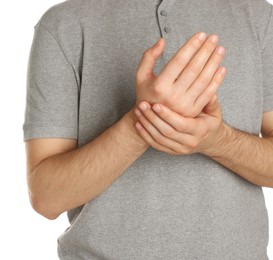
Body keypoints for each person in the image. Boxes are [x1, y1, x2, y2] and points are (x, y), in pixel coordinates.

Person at [23, 0, 273, 259]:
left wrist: (217, 141)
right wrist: (141, 124)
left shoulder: (260, 17)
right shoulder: (63, 24)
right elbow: (46, 198)